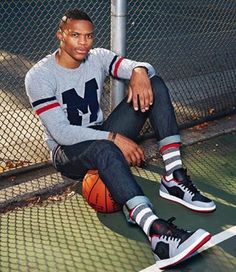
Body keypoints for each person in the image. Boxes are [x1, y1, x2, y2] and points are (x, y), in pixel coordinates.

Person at [25, 8, 216, 269]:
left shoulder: (98, 57)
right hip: (67, 151)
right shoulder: (39, 76)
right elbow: (62, 132)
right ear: (60, 35)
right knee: (105, 147)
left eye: (88, 36)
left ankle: (173, 177)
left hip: (100, 131)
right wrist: (113, 137)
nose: (83, 43)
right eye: (75, 35)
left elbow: (141, 68)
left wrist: (138, 71)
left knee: (154, 83)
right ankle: (156, 231)